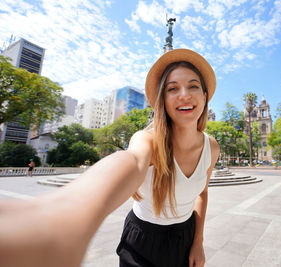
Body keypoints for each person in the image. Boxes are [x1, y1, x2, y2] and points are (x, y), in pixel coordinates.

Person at [0, 48, 220, 267]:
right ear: (162, 99)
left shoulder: (211, 147)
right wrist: (67, 212)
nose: (184, 94)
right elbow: (131, 161)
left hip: (186, 236)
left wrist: (198, 242)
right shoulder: (147, 140)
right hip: (143, 240)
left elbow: (202, 193)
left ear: (204, 96)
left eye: (193, 86)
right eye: (173, 89)